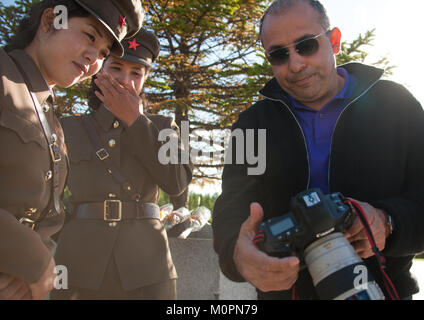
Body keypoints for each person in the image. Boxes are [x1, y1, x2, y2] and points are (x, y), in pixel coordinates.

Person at [212, 0, 424, 300]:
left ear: (334, 41)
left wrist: (388, 222)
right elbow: (232, 207)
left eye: (306, 45)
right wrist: (238, 253)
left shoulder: (397, 105)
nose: (296, 64)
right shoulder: (252, 123)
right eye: (279, 54)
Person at [0, 0, 143, 300]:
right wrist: (33, 262)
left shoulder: (48, 113)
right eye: (90, 36)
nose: (94, 59)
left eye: (103, 53)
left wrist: (37, 269)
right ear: (50, 21)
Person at [50, 28, 193, 300]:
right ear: (98, 71)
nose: (125, 80)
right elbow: (47, 198)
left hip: (148, 269)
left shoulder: (163, 127)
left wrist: (136, 122)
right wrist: (75, 235)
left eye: (136, 73)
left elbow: (177, 183)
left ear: (144, 80)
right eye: (116, 68)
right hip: (79, 266)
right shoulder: (68, 128)